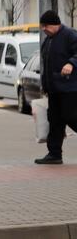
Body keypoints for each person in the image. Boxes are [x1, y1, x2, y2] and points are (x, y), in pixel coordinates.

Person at [36, 10, 77, 165]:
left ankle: (54, 153)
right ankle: (54, 154)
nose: (43, 29)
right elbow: (46, 64)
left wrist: (71, 63)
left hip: (70, 88)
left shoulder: (70, 35)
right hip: (54, 88)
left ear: (55, 24)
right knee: (54, 120)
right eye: (42, 26)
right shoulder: (48, 40)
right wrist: (45, 85)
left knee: (70, 116)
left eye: (45, 26)